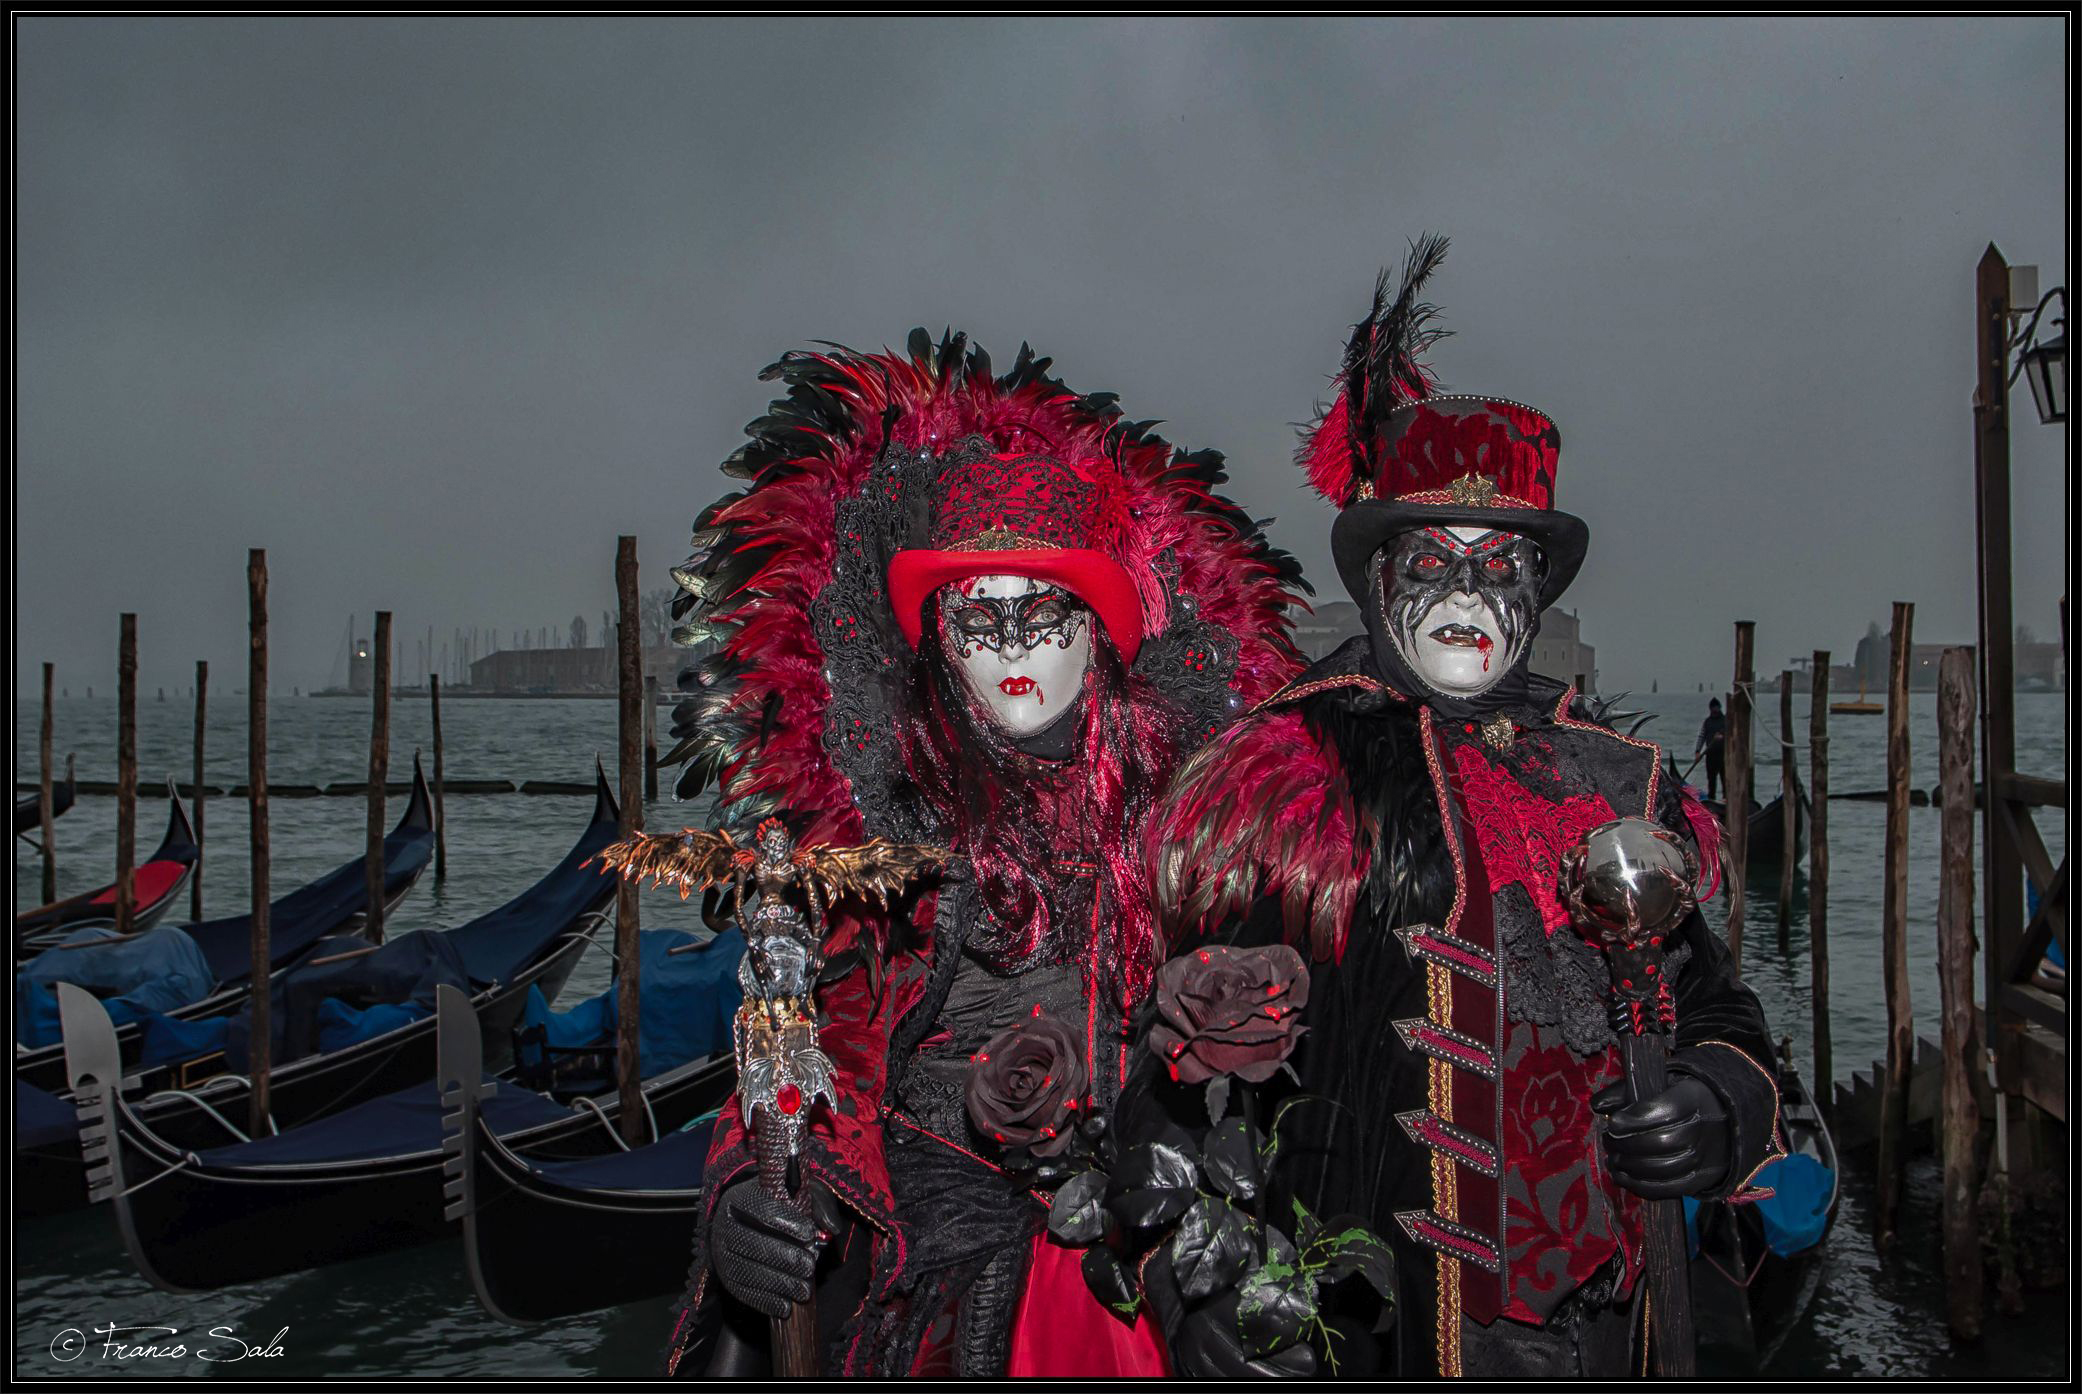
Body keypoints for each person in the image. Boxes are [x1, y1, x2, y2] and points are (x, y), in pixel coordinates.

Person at [1137, 240, 1786, 1378]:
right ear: (1380, 581)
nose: (1470, 595)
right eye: (1434, 559)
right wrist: (1198, 1287)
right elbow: (1176, 1056)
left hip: (1595, 1326)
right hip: (1367, 1330)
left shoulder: (1613, 781)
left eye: (1504, 566)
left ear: (1539, 591)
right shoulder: (1282, 772)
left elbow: (1716, 1007)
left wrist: (1713, 1102)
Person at [658, 330, 1306, 1377]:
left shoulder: (1193, 812)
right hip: (940, 1237)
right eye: (978, 614)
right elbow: (827, 1046)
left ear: (1098, 626)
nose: (1010, 647)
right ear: (938, 636)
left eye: (1042, 609)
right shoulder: (891, 819)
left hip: (1155, 1206)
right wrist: (755, 1184)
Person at [1696, 697, 1727, 800]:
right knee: (1711, 779)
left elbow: (1733, 735)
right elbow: (1702, 736)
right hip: (1711, 755)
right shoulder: (1707, 722)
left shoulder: (1726, 721)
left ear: (1719, 708)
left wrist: (1723, 737)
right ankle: (1711, 799)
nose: (1715, 710)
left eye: (1716, 708)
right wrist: (1697, 751)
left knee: (1725, 778)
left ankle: (1725, 798)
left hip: (1724, 754)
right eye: (1713, 708)